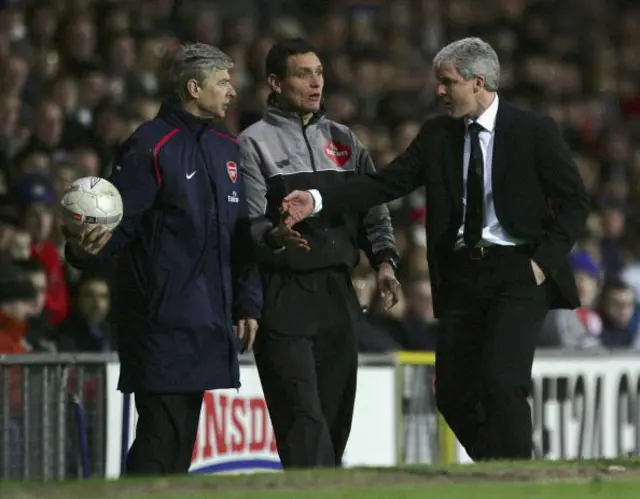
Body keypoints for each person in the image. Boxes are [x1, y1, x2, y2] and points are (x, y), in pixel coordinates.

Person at [282, 37, 590, 461]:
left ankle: (517, 476)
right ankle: (504, 468)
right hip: (462, 276)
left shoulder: (532, 130)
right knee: (451, 393)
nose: (439, 91)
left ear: (478, 82)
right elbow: (386, 184)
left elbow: (576, 202)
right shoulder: (437, 134)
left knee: (502, 382)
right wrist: (316, 200)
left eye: (448, 82)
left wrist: (542, 263)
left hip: (518, 272)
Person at [62, 43, 263, 476]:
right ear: (194, 88)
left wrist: (247, 302)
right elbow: (120, 225)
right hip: (162, 321)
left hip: (209, 321)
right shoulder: (149, 146)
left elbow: (240, 234)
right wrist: (82, 251)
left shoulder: (227, 148)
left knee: (179, 446)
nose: (232, 91)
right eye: (223, 82)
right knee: (159, 441)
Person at [237, 38, 400, 469]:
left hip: (336, 294)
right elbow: (247, 225)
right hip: (283, 293)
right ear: (275, 82)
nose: (315, 82)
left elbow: (374, 209)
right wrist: (274, 237)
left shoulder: (345, 140)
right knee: (303, 423)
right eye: (302, 73)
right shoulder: (253, 143)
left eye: (319, 72)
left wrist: (384, 262)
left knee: (333, 421)